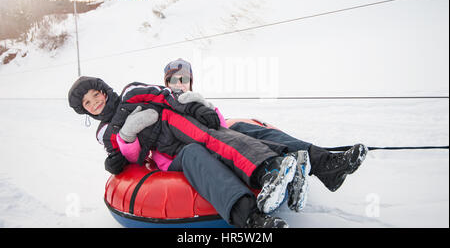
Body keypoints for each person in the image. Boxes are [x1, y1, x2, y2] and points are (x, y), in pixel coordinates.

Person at [68, 76, 309, 228]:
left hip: (183, 131)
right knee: (196, 153)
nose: (95, 103)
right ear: (84, 110)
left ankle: (279, 169)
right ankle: (251, 218)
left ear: (104, 90)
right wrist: (127, 137)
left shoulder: (132, 93)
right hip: (167, 156)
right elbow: (134, 159)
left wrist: (197, 106)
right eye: (87, 103)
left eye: (95, 95)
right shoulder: (104, 133)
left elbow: (167, 97)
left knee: (218, 139)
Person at [162, 58, 369, 205]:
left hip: (218, 141)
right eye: (173, 80)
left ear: (191, 82)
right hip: (186, 156)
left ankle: (325, 163)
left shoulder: (200, 104)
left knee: (243, 129)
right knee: (224, 141)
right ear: (166, 84)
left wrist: (206, 108)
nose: (179, 84)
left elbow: (222, 128)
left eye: (184, 79)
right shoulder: (162, 107)